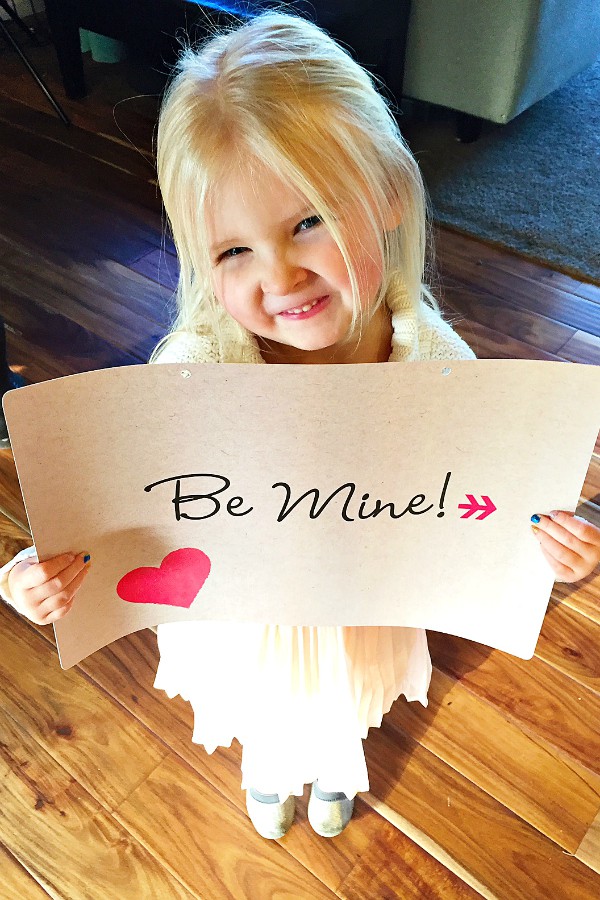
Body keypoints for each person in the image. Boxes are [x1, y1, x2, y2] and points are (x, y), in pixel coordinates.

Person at [1, 12, 599, 841]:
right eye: (232, 251)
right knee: (269, 717)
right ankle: (275, 772)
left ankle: (331, 772)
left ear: (388, 191)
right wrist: (37, 570)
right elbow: (116, 512)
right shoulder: (184, 374)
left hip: (363, 601)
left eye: (308, 220)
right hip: (247, 620)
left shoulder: (437, 360)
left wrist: (548, 547)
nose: (279, 274)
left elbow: (488, 497)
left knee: (343, 705)